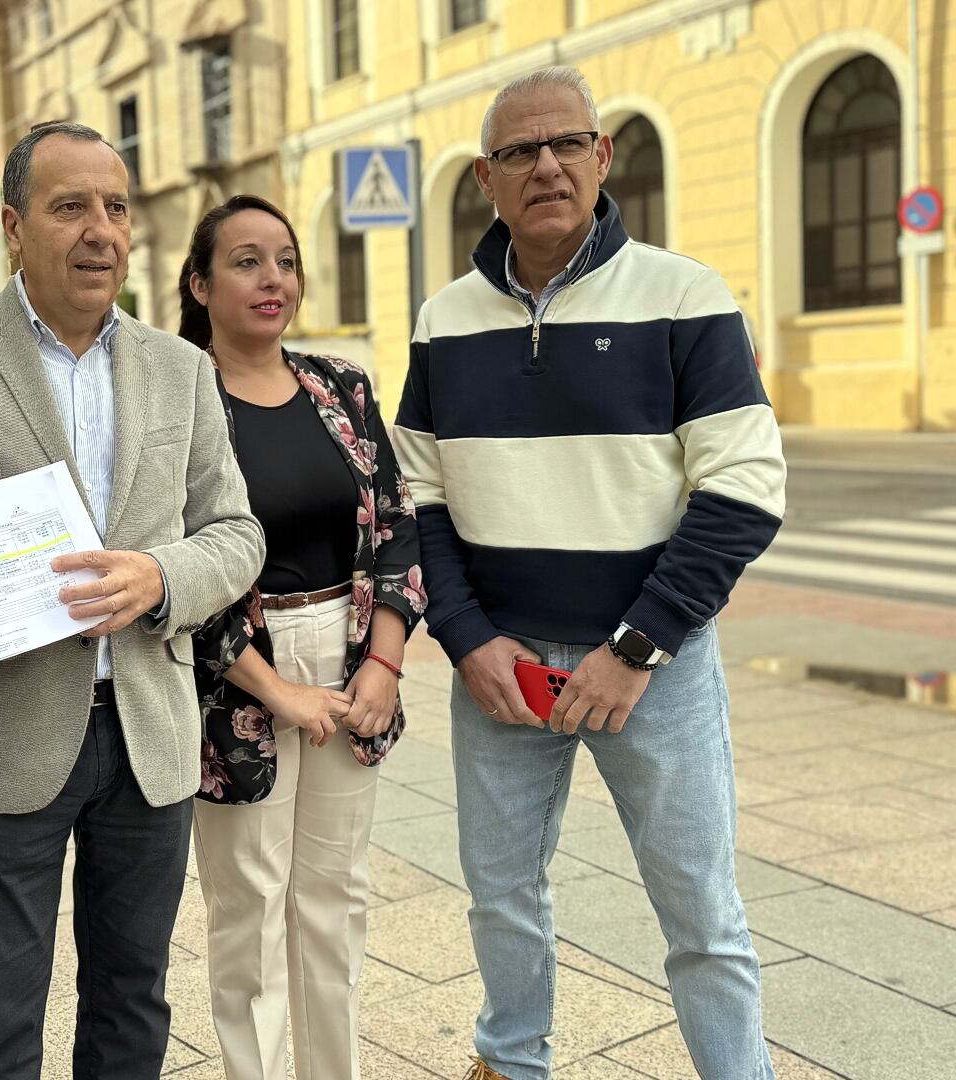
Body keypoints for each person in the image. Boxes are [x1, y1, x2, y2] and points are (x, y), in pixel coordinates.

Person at [392, 67, 785, 1080]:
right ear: (485, 177)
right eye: (519, 151)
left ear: (603, 157)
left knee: (701, 913)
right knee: (500, 895)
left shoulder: (684, 296)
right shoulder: (443, 320)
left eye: (567, 143)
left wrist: (637, 646)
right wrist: (468, 640)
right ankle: (508, 1062)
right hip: (503, 668)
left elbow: (744, 491)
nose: (547, 166)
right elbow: (417, 499)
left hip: (653, 668)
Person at [0, 121, 264, 1079]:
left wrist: (160, 577)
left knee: (132, 1003)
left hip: (148, 729)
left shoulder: (181, 367)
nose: (101, 230)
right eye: (70, 207)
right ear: (14, 226)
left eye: (115, 208)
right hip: (4, 731)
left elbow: (237, 533)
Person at [179, 195, 426, 1080]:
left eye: (285, 260)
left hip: (351, 656)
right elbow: (176, 566)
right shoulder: (179, 398)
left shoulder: (341, 385)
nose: (272, 278)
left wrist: (385, 661)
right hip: (238, 673)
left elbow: (396, 522)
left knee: (335, 895)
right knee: (250, 905)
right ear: (200, 284)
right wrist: (276, 690)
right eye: (246, 261)